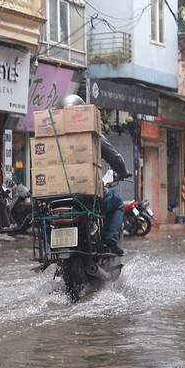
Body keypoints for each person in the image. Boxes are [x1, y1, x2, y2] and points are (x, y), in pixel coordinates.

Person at [62, 93, 130, 255]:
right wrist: (122, 172)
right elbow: (115, 158)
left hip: (58, 197)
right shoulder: (92, 135)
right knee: (118, 203)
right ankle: (110, 242)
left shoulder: (52, 137)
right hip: (88, 195)